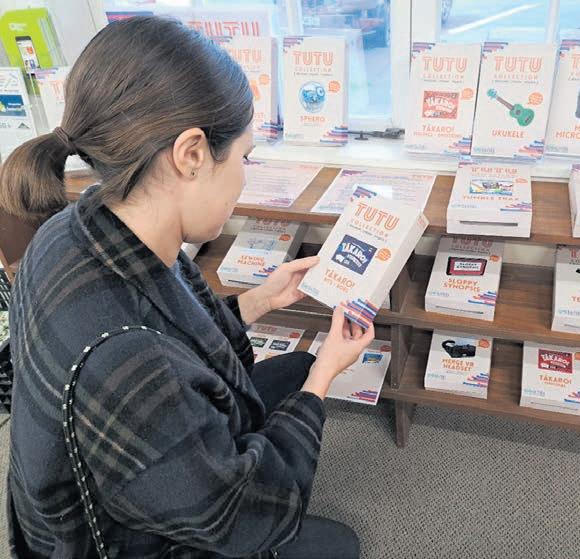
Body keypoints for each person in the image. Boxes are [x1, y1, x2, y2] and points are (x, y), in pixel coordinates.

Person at [0, 16, 372, 559]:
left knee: (292, 370)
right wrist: (325, 378)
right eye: (243, 157)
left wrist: (260, 300)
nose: (244, 176)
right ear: (192, 153)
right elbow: (236, 517)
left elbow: (173, 323)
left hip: (123, 466)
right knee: (307, 390)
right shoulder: (129, 365)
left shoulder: (77, 225)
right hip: (117, 540)